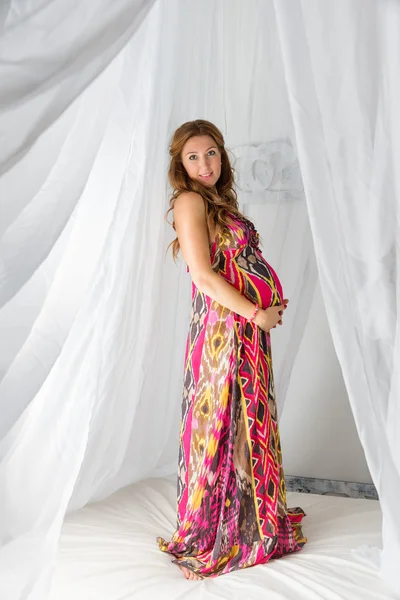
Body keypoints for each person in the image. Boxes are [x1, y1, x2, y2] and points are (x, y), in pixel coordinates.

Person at [157, 120, 307, 580]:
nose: (205, 164)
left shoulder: (220, 202)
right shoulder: (189, 201)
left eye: (212, 154)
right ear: (180, 164)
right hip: (223, 334)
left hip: (247, 330)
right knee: (221, 425)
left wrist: (266, 304)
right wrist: (254, 311)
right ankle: (211, 535)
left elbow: (239, 264)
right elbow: (203, 275)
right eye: (193, 157)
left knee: (248, 424)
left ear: (222, 156)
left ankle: (253, 524)